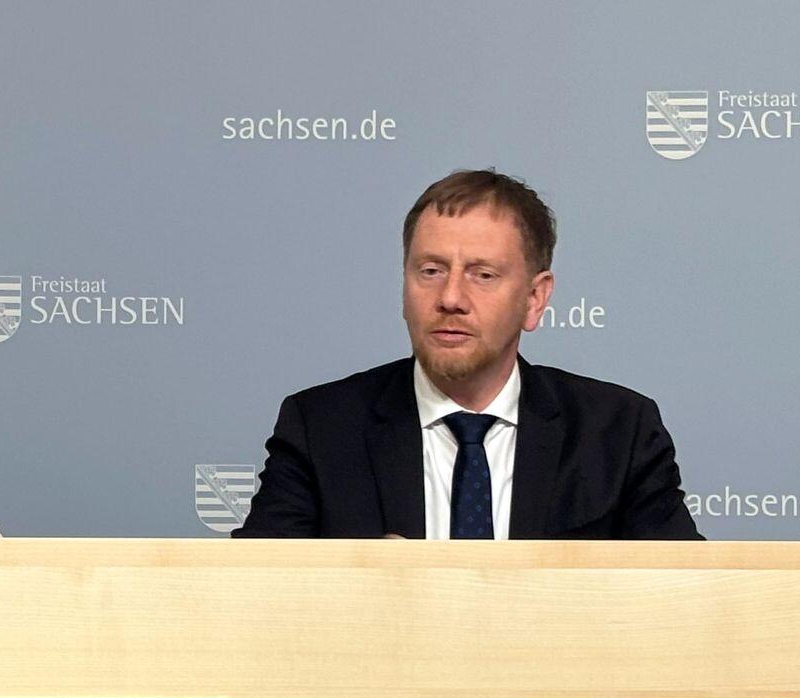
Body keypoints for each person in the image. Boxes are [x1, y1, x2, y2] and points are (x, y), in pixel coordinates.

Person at [235, 170, 699, 540]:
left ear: (535, 298)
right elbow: (252, 594)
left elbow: (687, 596)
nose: (451, 297)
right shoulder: (321, 428)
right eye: (430, 270)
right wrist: (366, 584)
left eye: (483, 275)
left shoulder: (617, 432)